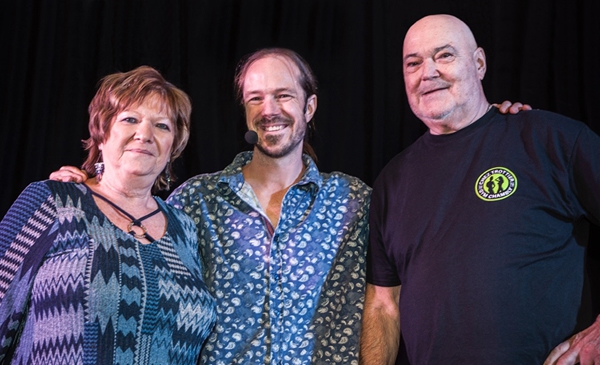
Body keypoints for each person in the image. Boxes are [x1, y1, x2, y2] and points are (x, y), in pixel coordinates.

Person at [48, 49, 526, 364]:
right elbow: (133, 230)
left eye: (283, 95)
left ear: (309, 107)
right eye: (256, 98)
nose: (269, 108)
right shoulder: (194, 200)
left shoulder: (356, 200)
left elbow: (393, 295)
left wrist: (491, 126)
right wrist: (90, 183)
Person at [360, 14, 600, 365]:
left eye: (444, 55)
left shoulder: (553, 139)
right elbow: (384, 304)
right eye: (413, 63)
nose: (427, 72)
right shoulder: (391, 181)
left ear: (479, 63)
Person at [0, 66, 216, 364]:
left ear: (173, 148)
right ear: (102, 134)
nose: (145, 134)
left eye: (162, 126)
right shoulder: (53, 200)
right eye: (130, 119)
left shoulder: (185, 230)